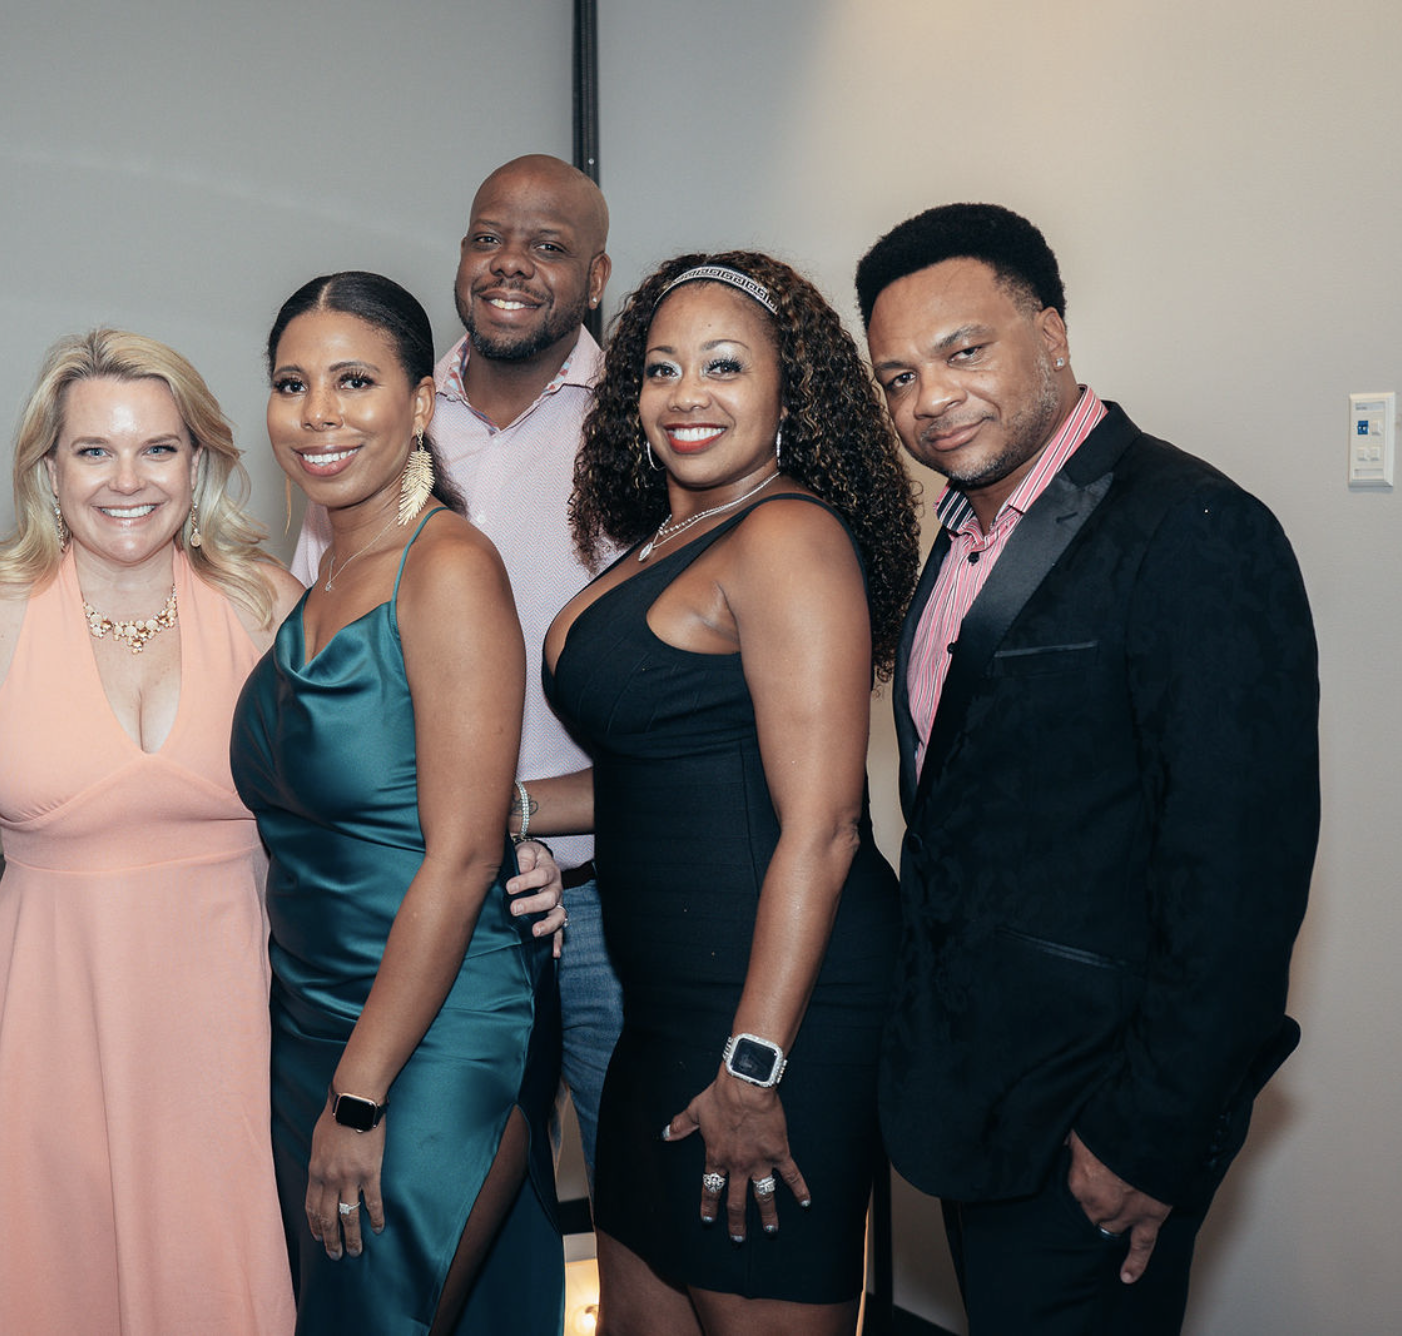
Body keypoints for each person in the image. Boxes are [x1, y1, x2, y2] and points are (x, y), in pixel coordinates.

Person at [854, 203, 1319, 1335]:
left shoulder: (1194, 526)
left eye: (964, 352)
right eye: (899, 376)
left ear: (1052, 335)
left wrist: (1146, 1140)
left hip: (1096, 1123)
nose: (930, 400)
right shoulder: (967, 528)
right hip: (983, 1101)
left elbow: (1239, 882)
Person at [535, 251, 920, 1334]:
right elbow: (658, 781)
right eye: (661, 369)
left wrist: (755, 1065)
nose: (686, 395)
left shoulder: (787, 536)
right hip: (665, 1009)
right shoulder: (668, 535)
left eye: (723, 366)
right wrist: (506, 813)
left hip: (777, 1013)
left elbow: (827, 824)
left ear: (789, 392)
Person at [0, 330, 305, 1335]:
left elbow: (356, 819)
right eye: (94, 451)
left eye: (157, 449)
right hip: (51, 1030)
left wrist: (507, 840)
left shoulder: (268, 607)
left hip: (236, 1029)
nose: (127, 480)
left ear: (200, 460)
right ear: (48, 469)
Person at [233, 271, 565, 1335]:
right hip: (310, 1024)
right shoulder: (319, 573)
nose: (317, 413)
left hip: (425, 1036)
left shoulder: (448, 567)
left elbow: (463, 855)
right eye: (292, 383)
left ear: (420, 404)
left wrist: (361, 1093)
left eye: (353, 380)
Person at [291, 154, 621, 1186]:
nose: (510, 263)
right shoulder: (385, 418)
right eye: (488, 236)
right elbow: (325, 656)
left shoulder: (644, 428)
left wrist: (512, 815)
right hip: (424, 899)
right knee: (448, 1202)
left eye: (548, 244)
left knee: (642, 1216)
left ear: (598, 275)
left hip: (613, 898)